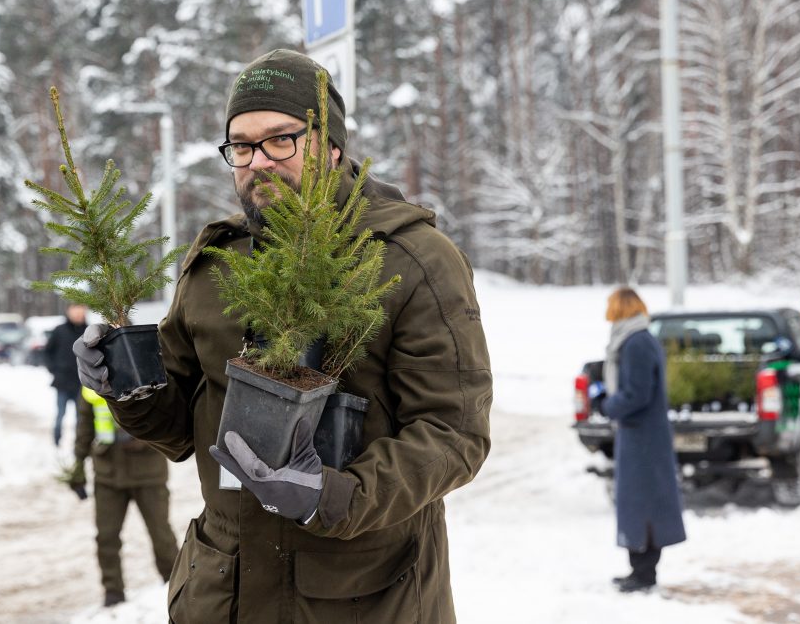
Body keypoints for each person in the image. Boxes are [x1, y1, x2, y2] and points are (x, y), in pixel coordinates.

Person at [73, 48, 492, 622]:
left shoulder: (412, 260)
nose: (258, 161)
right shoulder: (217, 261)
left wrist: (333, 495)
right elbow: (178, 430)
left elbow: (454, 434)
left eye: (280, 139)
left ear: (333, 147)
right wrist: (127, 386)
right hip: (226, 590)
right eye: (241, 145)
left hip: (363, 594)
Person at [589, 287, 686, 593]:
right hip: (640, 434)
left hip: (643, 436)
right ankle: (640, 569)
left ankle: (644, 572)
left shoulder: (636, 343)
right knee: (641, 502)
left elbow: (637, 394)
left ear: (619, 308)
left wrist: (606, 405)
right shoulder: (634, 340)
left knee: (643, 504)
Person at [64, 387, 179, 607]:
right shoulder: (91, 380)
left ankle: (173, 583)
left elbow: (170, 417)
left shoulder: (145, 367)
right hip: (108, 474)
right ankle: (113, 593)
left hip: (148, 472)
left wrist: (147, 440)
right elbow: (85, 425)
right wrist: (78, 464)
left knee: (161, 534)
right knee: (106, 537)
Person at [44, 302, 87, 446]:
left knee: (80, 417)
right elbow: (47, 352)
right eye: (76, 312)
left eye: (81, 312)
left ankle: (79, 443)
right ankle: (56, 441)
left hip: (81, 383)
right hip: (62, 381)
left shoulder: (89, 331)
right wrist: (53, 369)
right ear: (69, 312)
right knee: (60, 414)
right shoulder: (59, 330)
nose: (78, 315)